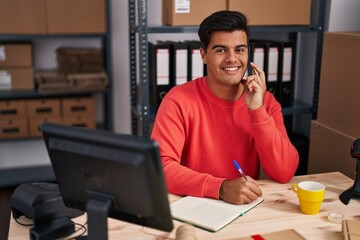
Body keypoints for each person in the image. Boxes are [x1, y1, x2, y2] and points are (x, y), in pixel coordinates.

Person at [150, 10, 299, 205]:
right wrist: (220, 188)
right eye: (221, 50)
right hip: (193, 203)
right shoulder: (177, 100)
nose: (232, 59)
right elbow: (160, 167)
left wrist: (257, 111)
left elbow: (284, 172)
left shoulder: (265, 101)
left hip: (242, 206)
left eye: (240, 49)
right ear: (203, 55)